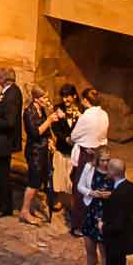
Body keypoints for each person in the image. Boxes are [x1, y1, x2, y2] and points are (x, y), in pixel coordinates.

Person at [64, 85, 110, 233]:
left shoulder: (87, 116)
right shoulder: (104, 114)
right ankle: (92, 220)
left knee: (81, 187)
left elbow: (75, 135)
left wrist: (70, 139)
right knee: (94, 185)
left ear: (85, 100)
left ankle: (78, 225)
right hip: (100, 153)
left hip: (87, 155)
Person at [20, 84, 59, 225]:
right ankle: (24, 211)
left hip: (43, 150)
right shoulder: (28, 112)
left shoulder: (41, 109)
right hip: (34, 152)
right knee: (33, 182)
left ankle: (30, 207)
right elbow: (35, 133)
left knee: (39, 182)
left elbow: (46, 131)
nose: (47, 100)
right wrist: (49, 120)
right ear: (36, 99)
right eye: (44, 97)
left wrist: (50, 141)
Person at [0, 67, 22, 217]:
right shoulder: (7, 91)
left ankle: (4, 207)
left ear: (4, 79)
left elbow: (9, 122)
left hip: (3, 141)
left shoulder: (12, 94)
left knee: (2, 175)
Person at [76, 154, 111, 265]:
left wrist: (110, 195)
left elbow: (118, 191)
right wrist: (92, 193)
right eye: (103, 160)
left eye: (108, 160)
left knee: (104, 254)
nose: (105, 163)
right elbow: (80, 186)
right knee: (90, 249)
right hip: (92, 210)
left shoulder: (112, 172)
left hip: (105, 215)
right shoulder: (89, 168)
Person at [48, 84, 81, 222]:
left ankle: (73, 204)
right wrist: (65, 138)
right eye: (63, 96)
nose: (65, 99)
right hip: (62, 147)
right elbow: (55, 128)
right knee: (60, 176)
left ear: (74, 96)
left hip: (75, 150)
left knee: (73, 178)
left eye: (67, 96)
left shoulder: (81, 110)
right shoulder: (58, 109)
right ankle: (60, 200)